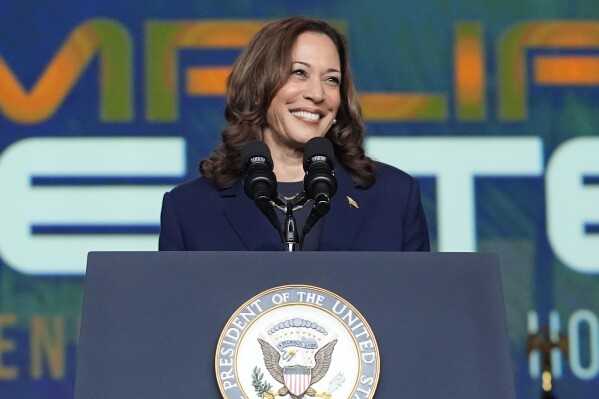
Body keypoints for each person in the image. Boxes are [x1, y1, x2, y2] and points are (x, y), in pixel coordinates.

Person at [159, 16, 430, 251]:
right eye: (299, 73)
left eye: (331, 79)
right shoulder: (189, 210)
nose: (317, 94)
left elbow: (417, 305)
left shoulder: (394, 198)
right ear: (258, 87)